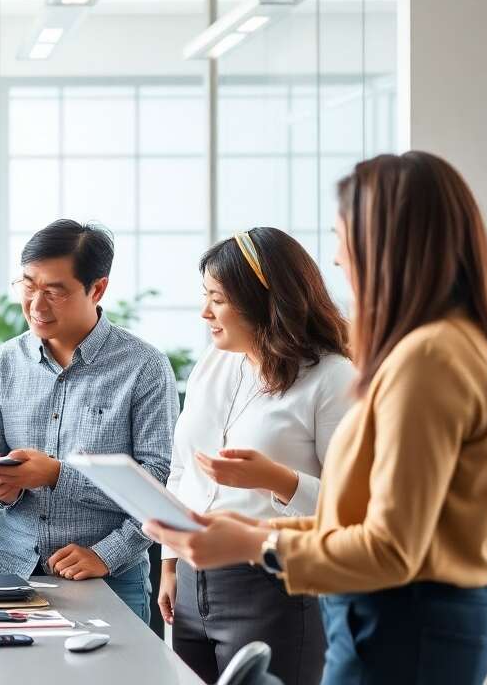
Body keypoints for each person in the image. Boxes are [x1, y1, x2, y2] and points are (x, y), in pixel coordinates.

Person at [145, 151, 487, 685]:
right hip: (407, 618)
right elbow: (378, 525)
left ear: (386, 245)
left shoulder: (427, 360)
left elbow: (390, 548)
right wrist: (253, 528)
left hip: (404, 625)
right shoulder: (452, 346)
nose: (335, 259)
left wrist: (254, 542)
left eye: (342, 237)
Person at [160, 227, 355, 685]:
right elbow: (183, 470)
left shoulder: (331, 378)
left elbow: (351, 509)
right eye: (204, 296)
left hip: (275, 583)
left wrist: (277, 479)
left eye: (218, 299)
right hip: (193, 583)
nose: (205, 312)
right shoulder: (214, 362)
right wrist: (170, 564)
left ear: (265, 300)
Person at [0, 219, 177, 623]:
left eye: (54, 291)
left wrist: (106, 553)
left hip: (108, 577)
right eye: (28, 285)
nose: (36, 305)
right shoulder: (5, 363)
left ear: (97, 288)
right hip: (12, 573)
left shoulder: (143, 367)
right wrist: (1, 487)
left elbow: (162, 482)